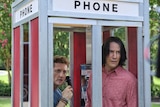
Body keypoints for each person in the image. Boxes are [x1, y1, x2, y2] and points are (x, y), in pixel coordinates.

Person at [85, 37, 138, 107]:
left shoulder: (129, 80)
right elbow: (89, 102)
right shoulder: (95, 74)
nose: (114, 56)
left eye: (118, 52)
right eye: (111, 52)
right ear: (105, 53)